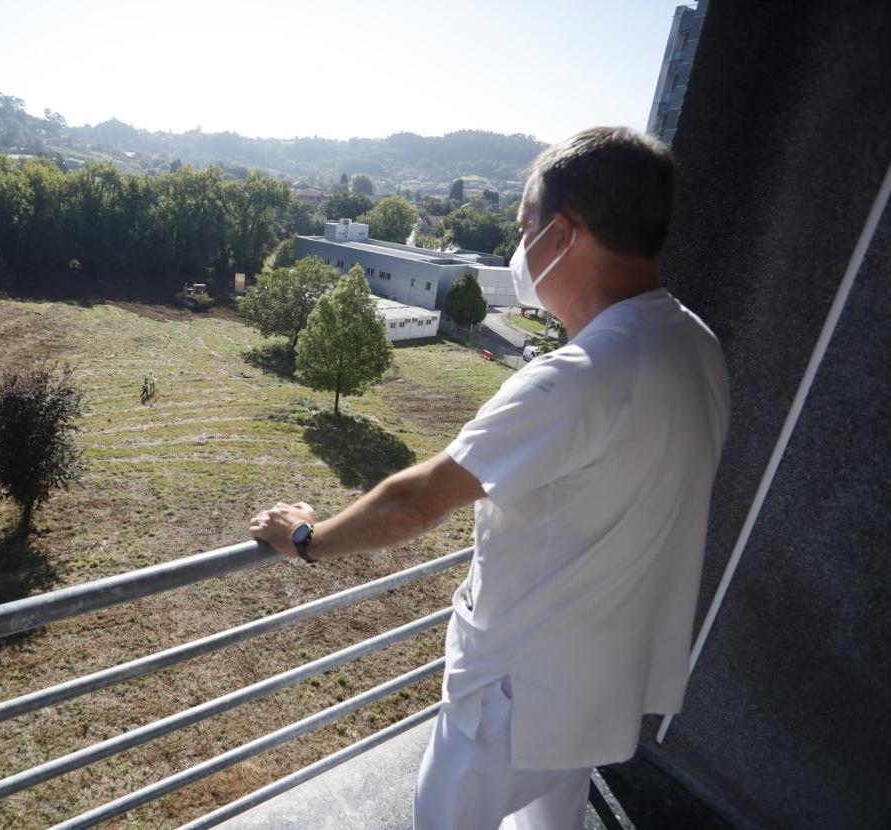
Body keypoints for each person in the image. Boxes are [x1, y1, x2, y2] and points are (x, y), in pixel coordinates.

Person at [250, 126, 730, 830]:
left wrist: (305, 536)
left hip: (513, 696)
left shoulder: (576, 379)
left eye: (523, 226)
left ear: (563, 234)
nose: (519, 246)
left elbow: (414, 502)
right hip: (602, 682)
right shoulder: (696, 344)